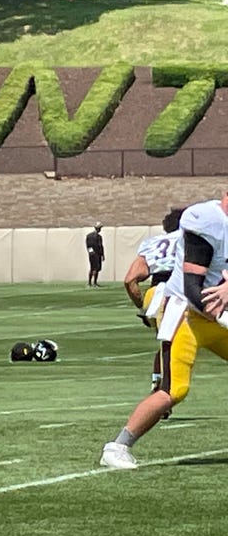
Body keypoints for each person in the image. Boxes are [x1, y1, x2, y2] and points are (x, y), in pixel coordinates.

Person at [100, 195, 227, 469]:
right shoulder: (205, 223)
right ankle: (117, 446)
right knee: (173, 389)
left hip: (213, 309)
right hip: (187, 313)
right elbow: (194, 287)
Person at [123, 208, 183, 391]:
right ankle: (165, 392)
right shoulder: (192, 240)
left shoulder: (152, 243)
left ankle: (159, 382)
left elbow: (130, 280)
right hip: (177, 292)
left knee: (168, 342)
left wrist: (142, 307)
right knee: (177, 343)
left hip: (154, 294)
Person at [86, 222, 105, 287]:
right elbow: (89, 246)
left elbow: (101, 246)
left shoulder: (99, 237)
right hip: (94, 254)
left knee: (96, 268)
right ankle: (92, 282)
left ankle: (93, 282)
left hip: (97, 254)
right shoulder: (90, 236)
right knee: (94, 268)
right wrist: (92, 253)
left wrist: (102, 255)